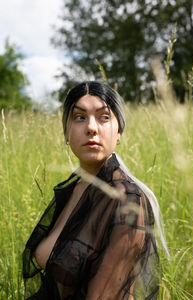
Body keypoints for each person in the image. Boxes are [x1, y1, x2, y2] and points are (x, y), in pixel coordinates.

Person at [23, 81, 168, 300]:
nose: (91, 127)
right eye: (79, 117)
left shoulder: (126, 200)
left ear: (118, 132)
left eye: (104, 117)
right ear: (66, 133)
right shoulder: (74, 189)